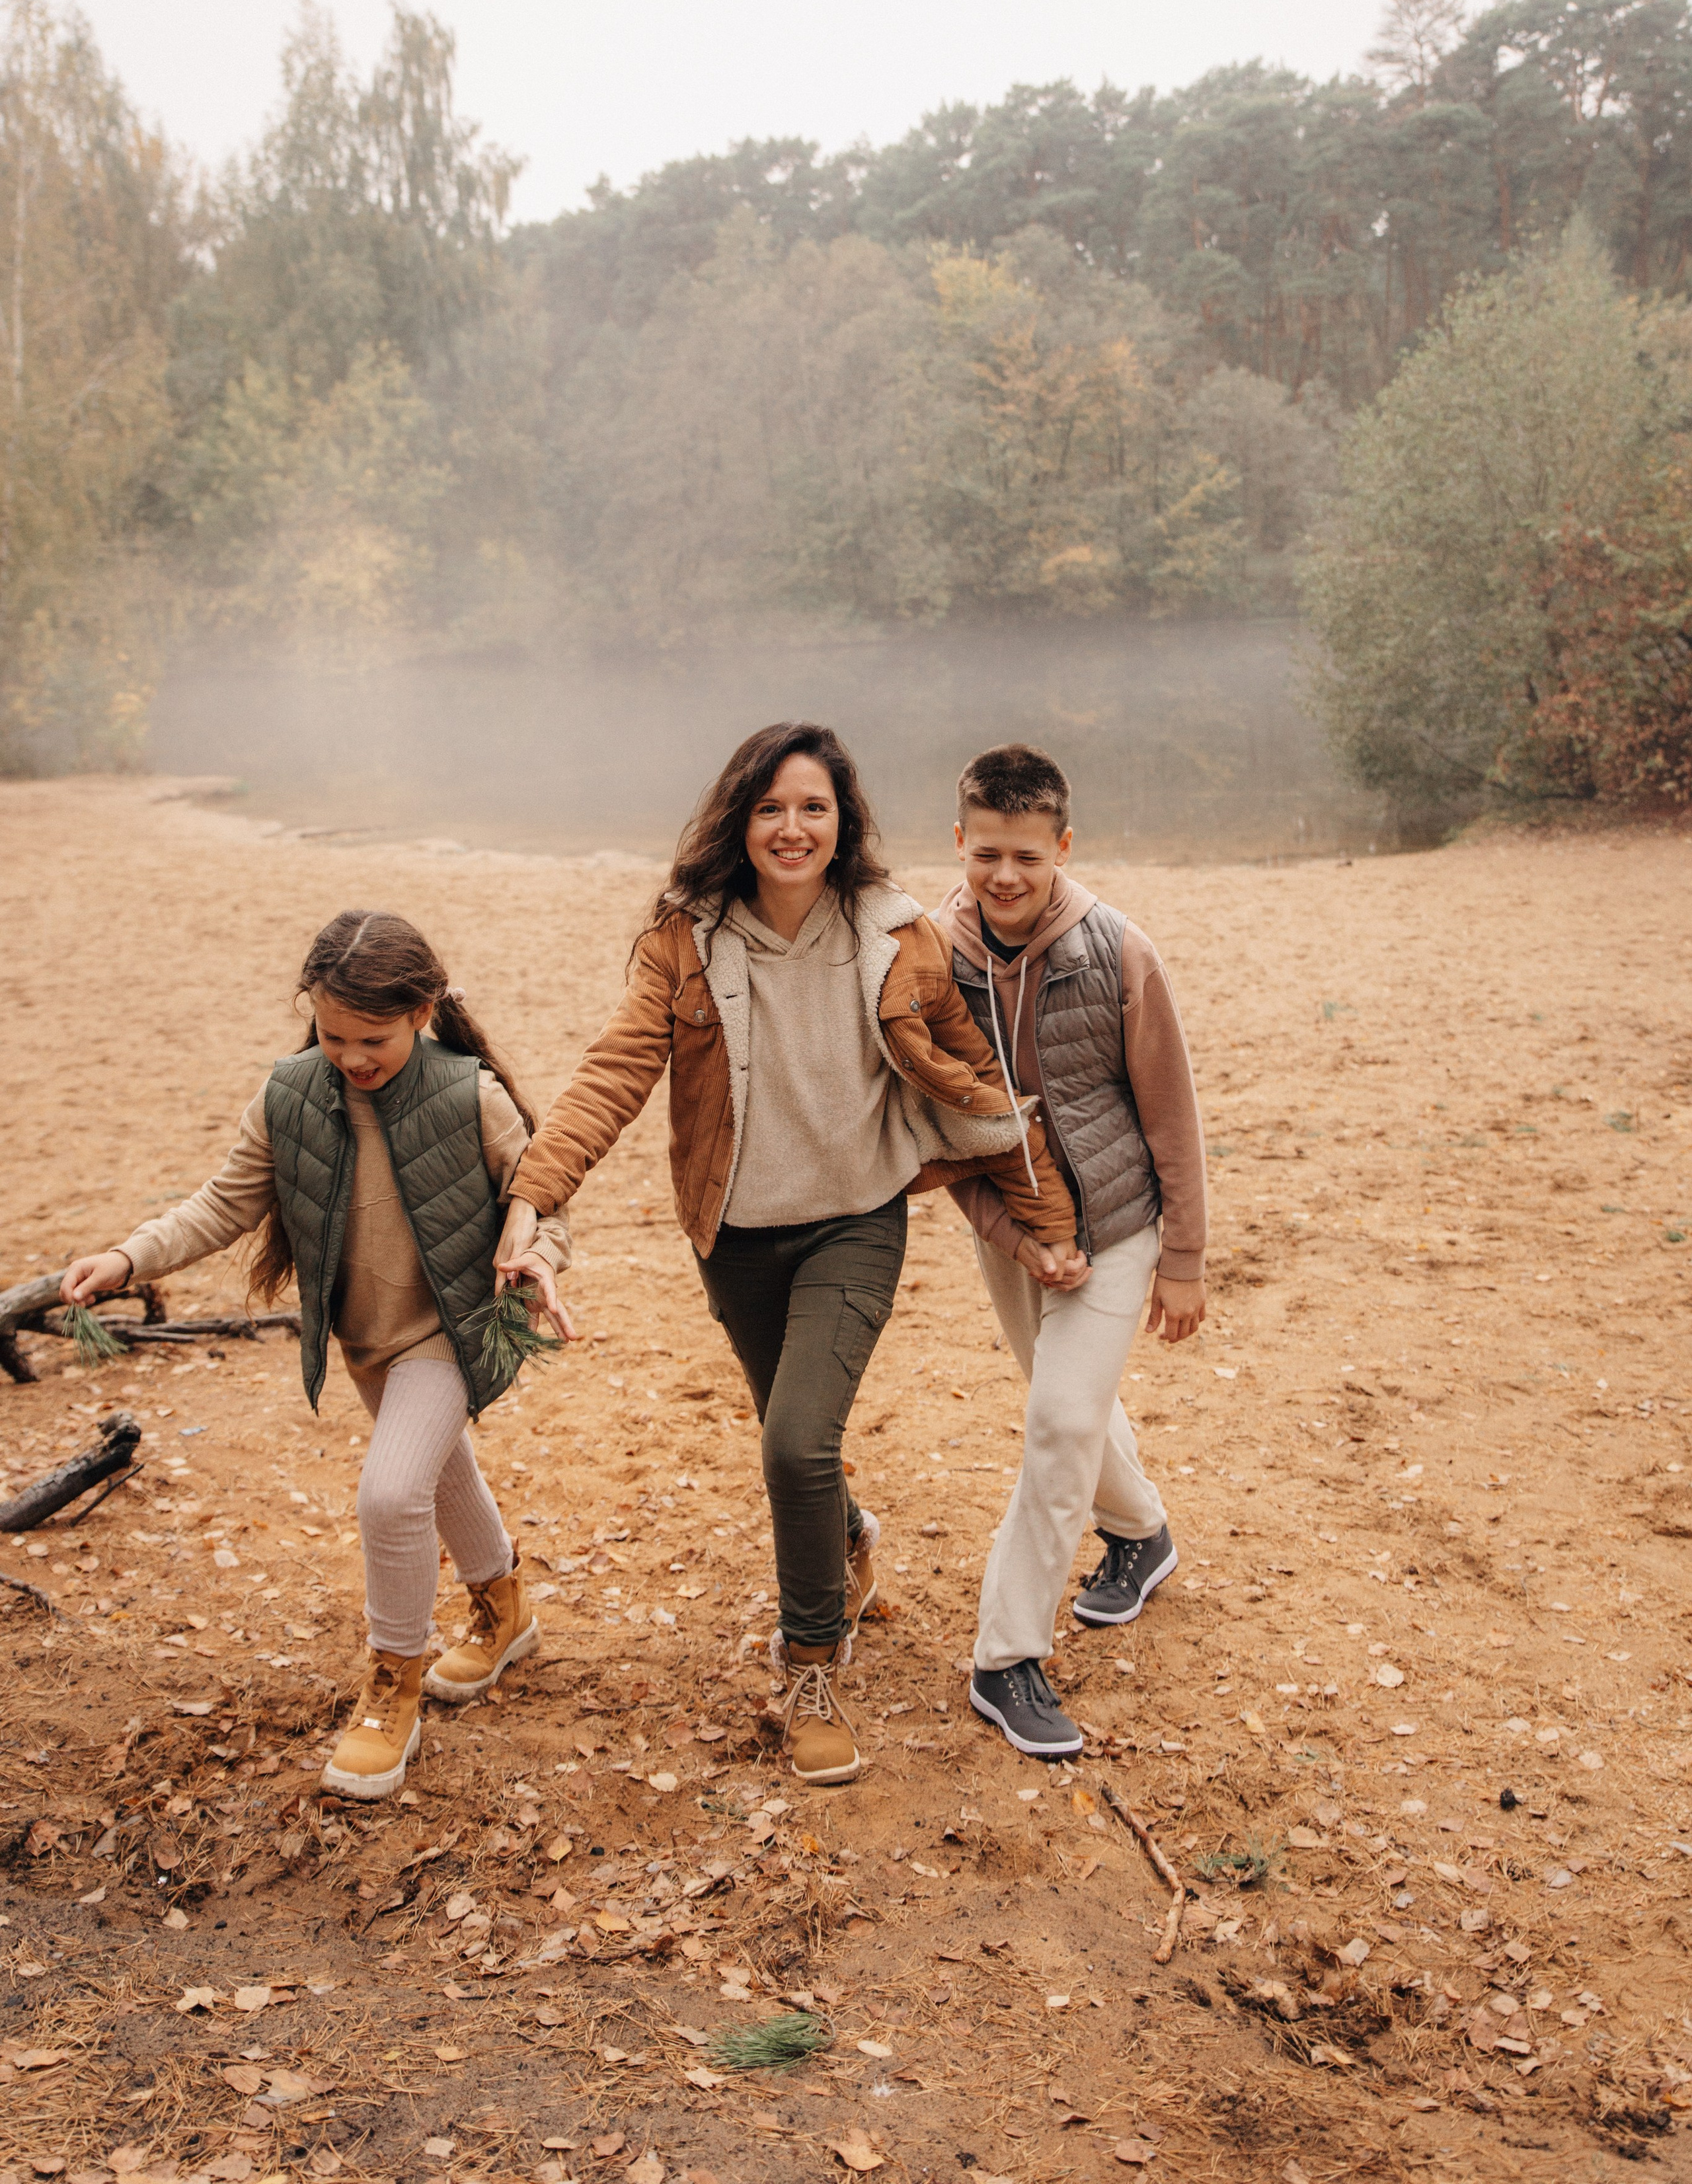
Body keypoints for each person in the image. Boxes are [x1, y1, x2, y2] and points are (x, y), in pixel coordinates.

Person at [498, 720, 1077, 1786]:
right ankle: (848, 1540)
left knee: (794, 1445)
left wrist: (1050, 1231)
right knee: (793, 1441)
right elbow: (619, 1067)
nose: (793, 827)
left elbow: (977, 1082)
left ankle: (811, 1664)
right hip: (733, 1235)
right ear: (741, 820)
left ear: (843, 819)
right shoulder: (687, 937)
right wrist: (536, 1194)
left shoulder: (898, 937)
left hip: (857, 1220)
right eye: (772, 808)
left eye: (814, 807)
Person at [59, 911, 572, 1802]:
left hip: (453, 1330)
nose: (352, 1057)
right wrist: (128, 1258)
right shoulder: (294, 1092)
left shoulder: (470, 1094)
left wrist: (535, 1261)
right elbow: (224, 1203)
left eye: (372, 1039)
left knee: (390, 1492)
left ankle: (393, 1686)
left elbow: (544, 1200)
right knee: (439, 1472)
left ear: (421, 1011)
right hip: (364, 1336)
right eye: (333, 1037)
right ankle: (504, 1610)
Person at [932, 743, 1208, 1759]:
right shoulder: (929, 953)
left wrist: (1184, 1257)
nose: (1006, 877)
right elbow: (937, 1128)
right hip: (1011, 1235)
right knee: (1071, 1411)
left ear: (1063, 848)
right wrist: (1014, 1238)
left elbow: (1173, 1117)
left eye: (1029, 858)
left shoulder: (1120, 953)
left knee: (1056, 1424)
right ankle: (1141, 1532)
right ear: (960, 841)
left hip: (1121, 1229)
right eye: (988, 853)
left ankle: (1005, 1658)